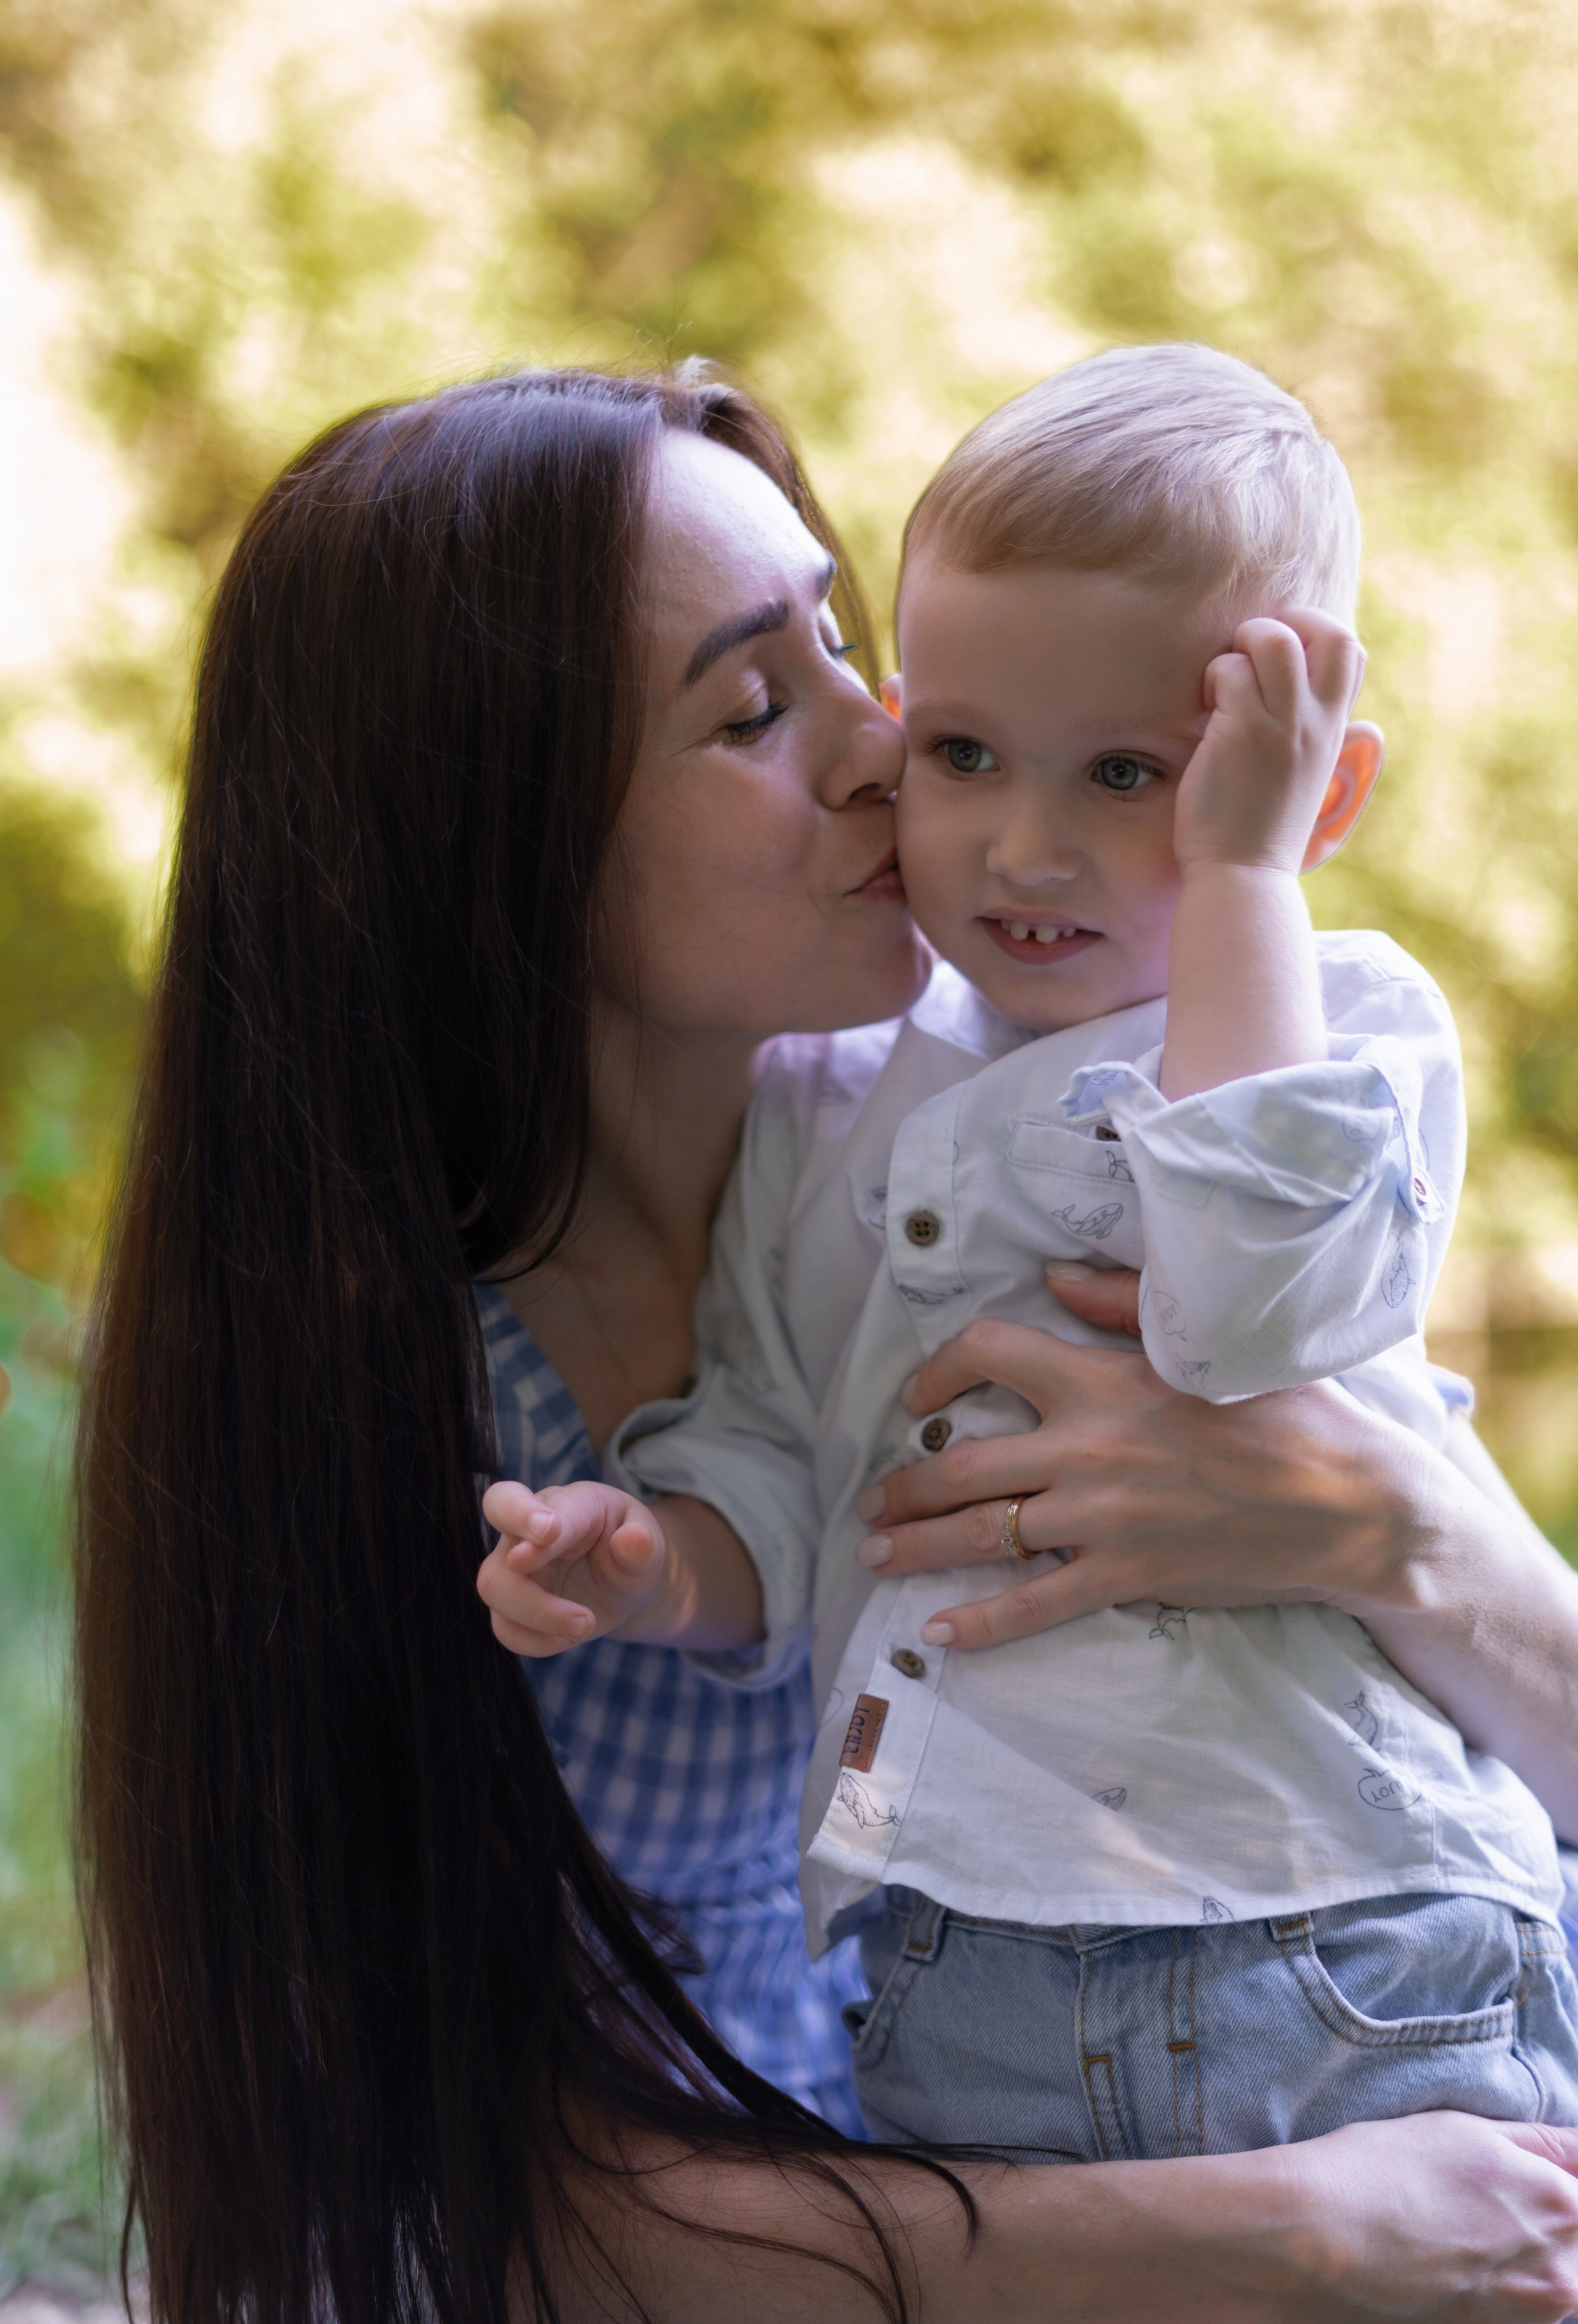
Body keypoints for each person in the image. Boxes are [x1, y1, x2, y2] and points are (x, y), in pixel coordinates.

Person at [75, 359, 1578, 2324]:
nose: (891, 752)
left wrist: (1377, 1527)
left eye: (853, 647)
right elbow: (494, 2200)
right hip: (931, 2206)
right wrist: (1304, 2228)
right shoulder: (391, 1400)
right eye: (755, 709)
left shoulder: (1049, 1121)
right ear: (501, 849)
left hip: (1250, 2028)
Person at [476, 348, 1578, 2159]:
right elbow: (780, 1438)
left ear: (1314, 793)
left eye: (1137, 774)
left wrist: (1240, 886)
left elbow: (1247, 1318)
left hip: (1342, 1932)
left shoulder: (1340, 1036)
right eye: (965, 754)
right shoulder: (829, 1113)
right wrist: (659, 1564)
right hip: (962, 1967)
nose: (1026, 841)